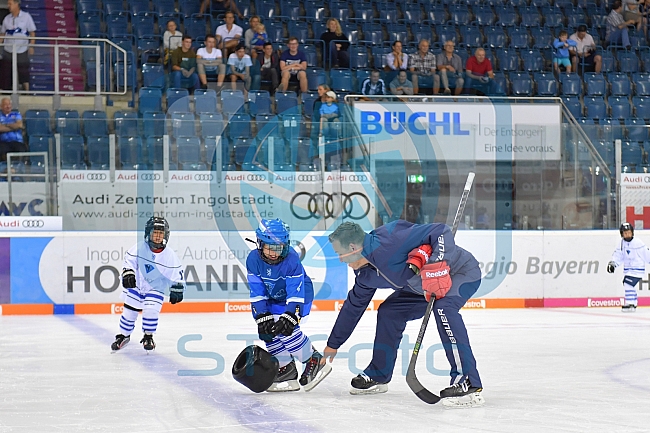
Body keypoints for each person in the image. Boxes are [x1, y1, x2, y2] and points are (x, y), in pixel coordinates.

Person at [322, 221, 484, 408]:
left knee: (444, 308)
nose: (341, 259)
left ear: (353, 247)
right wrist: (333, 344)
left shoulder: (391, 241)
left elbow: (440, 231)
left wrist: (437, 265)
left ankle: (468, 381)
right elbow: (353, 307)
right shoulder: (366, 275)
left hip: (459, 273)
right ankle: (379, 374)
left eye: (340, 254)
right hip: (420, 288)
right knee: (389, 312)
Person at [247, 218, 332, 391]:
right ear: (260, 243)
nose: (273, 253)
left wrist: (291, 314)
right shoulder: (252, 260)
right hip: (273, 297)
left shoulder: (291, 259)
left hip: (300, 295)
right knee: (267, 330)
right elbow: (257, 291)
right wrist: (261, 315)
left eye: (278, 248)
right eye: (269, 247)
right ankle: (286, 369)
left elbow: (295, 291)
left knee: (285, 327)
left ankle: (314, 360)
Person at [111, 217, 185, 352]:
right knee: (128, 313)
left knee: (151, 311)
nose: (158, 236)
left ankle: (148, 336)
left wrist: (177, 287)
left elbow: (176, 272)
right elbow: (129, 261)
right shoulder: (140, 248)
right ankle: (123, 335)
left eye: (161, 233)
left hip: (155, 289)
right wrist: (128, 272)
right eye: (155, 232)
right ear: (148, 233)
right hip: (137, 286)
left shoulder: (169, 255)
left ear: (166, 235)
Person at [607, 223, 650, 312]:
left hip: (637, 269)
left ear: (632, 233)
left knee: (628, 283)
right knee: (628, 284)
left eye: (629, 233)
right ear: (621, 234)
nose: (627, 235)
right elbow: (618, 255)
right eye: (625, 233)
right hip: (628, 270)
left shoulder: (637, 243)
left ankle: (630, 303)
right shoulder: (622, 243)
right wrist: (613, 264)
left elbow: (646, 254)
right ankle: (633, 302)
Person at [0, 0, 36, 91]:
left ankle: (26, 91)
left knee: (23, 71)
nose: (8, 6)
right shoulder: (7, 18)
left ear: (17, 4)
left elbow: (32, 33)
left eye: (10, 4)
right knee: (6, 72)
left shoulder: (26, 16)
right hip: (8, 49)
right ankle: (6, 92)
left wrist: (31, 46)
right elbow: (3, 34)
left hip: (22, 49)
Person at [0, 97, 27, 162]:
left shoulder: (16, 114)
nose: (8, 106)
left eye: (9, 104)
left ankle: (16, 169)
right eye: (6, 104)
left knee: (21, 150)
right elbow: (0, 128)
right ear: (1, 106)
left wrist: (6, 125)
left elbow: (19, 125)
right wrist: (13, 127)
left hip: (17, 141)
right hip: (4, 142)